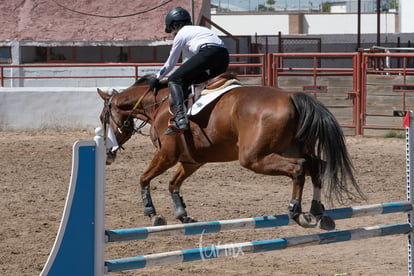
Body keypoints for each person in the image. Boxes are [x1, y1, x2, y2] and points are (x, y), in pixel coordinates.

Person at [150, 7, 230, 135]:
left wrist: (157, 78)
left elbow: (171, 63)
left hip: (208, 53)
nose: (173, 33)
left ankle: (180, 119)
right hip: (223, 56)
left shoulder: (181, 34)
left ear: (175, 25)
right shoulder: (200, 30)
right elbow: (190, 63)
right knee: (194, 80)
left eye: (172, 30)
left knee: (174, 80)